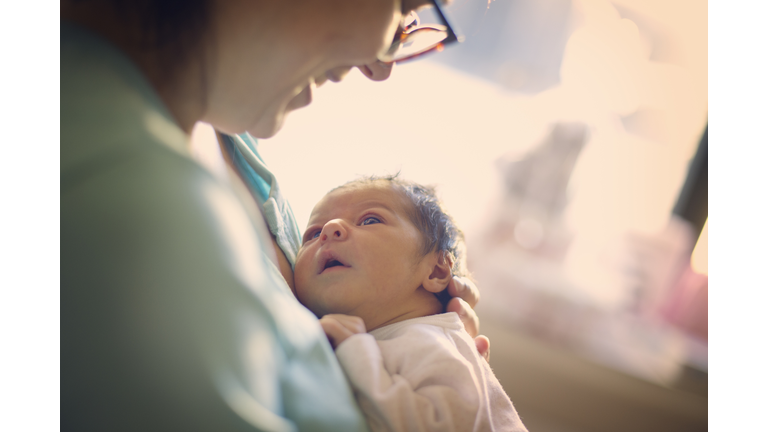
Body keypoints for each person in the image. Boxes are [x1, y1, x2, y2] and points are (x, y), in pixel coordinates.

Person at [61, 1, 487, 431]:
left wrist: (420, 347)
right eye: (403, 7)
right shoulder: (124, 193)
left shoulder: (235, 143)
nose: (380, 66)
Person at [293, 175, 528, 432]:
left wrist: (354, 350)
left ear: (436, 271)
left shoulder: (429, 339)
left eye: (370, 220)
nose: (330, 229)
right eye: (313, 234)